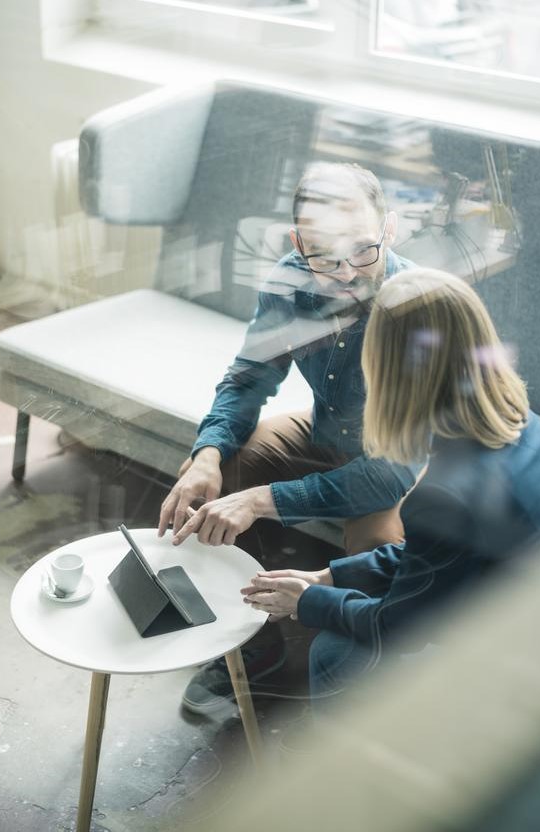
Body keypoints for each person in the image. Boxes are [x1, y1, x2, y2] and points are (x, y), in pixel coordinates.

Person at [242, 268, 540, 709]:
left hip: (528, 646)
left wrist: (310, 601)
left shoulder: (443, 494)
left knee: (334, 653)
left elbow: (394, 627)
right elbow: (435, 556)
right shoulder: (514, 418)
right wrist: (331, 576)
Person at [158, 162, 418, 713]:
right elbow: (250, 377)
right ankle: (254, 642)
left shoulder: (415, 306)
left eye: (364, 250)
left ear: (389, 229)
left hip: (397, 464)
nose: (346, 272)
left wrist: (260, 502)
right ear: (299, 243)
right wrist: (206, 455)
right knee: (225, 465)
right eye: (323, 256)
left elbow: (389, 472)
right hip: (323, 429)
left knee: (379, 552)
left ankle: (361, 681)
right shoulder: (287, 279)